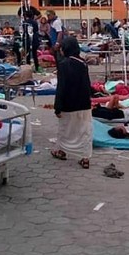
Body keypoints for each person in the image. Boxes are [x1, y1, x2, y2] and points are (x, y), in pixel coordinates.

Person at [51, 37, 93, 168]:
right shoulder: (83, 63)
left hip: (68, 104)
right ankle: (85, 158)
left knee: (65, 130)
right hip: (84, 104)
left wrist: (57, 107)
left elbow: (61, 87)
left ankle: (62, 151)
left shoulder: (64, 65)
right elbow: (87, 84)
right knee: (84, 131)